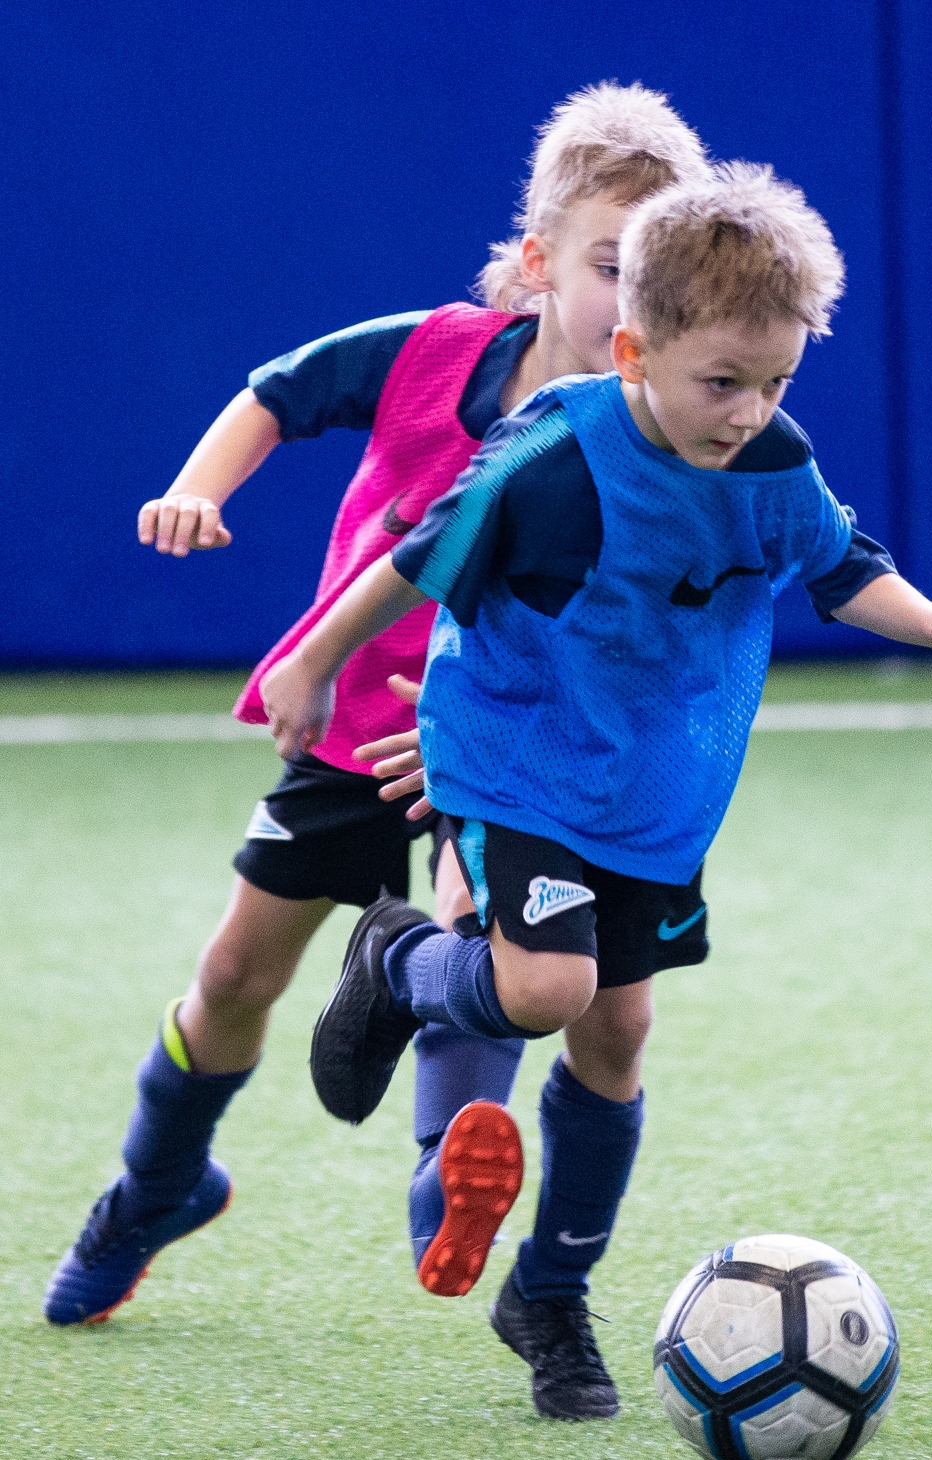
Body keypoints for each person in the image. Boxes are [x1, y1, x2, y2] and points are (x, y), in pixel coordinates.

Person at [259, 163, 932, 1420]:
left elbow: (843, 568)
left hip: (654, 792)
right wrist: (311, 658)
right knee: (547, 987)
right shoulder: (554, 455)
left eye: (777, 380)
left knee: (615, 1038)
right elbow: (415, 562)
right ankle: (402, 962)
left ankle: (552, 1297)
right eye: (721, 381)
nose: (748, 410)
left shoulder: (771, 460)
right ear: (635, 346)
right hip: (516, 758)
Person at [43, 85, 710, 1328]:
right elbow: (279, 392)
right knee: (237, 973)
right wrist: (196, 489)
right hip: (357, 722)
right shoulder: (433, 353)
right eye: (614, 267)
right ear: (535, 263)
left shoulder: (673, 434)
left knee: (495, 938)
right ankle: (156, 1185)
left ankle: (443, 1192)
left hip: (510, 746)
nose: (639, 304)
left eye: (665, 279)